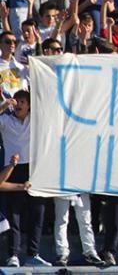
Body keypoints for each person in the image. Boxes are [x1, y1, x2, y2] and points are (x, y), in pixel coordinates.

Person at [0, 91, 50, 267]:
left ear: (29, 105)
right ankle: (13, 254)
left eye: (23, 101)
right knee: (15, 214)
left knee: (38, 212)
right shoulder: (6, 120)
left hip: (34, 168)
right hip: (13, 168)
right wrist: (4, 106)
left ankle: (33, 253)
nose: (19, 105)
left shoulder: (34, 120)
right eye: (17, 101)